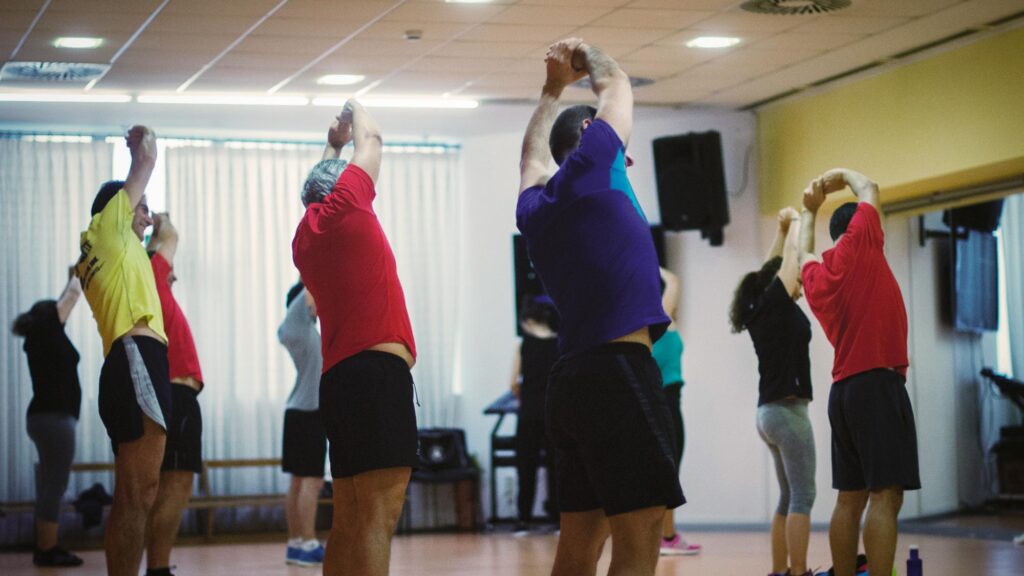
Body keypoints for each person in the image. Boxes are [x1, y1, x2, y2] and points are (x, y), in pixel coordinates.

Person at [517, 38, 684, 576]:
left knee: (579, 544)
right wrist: (584, 56)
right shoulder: (594, 162)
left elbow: (530, 159)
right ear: (589, 136)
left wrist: (549, 91)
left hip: (572, 383)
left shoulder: (534, 210)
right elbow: (617, 84)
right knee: (639, 541)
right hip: (618, 373)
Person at [292, 100, 418, 576]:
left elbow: (317, 186)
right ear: (341, 189)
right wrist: (354, 109)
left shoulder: (304, 240)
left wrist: (331, 145)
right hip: (376, 376)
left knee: (348, 519)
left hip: (339, 382)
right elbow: (375, 141)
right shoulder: (349, 206)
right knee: (378, 518)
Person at [798, 168, 919, 576]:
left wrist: (808, 210)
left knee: (849, 499)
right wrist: (837, 177)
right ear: (860, 226)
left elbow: (802, 256)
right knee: (886, 495)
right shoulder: (861, 244)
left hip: (844, 393)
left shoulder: (817, 278)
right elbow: (870, 186)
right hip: (877, 385)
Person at [75, 125, 169, 576]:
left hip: (128, 360)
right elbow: (147, 160)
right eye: (142, 209)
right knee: (138, 491)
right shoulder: (110, 228)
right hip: (137, 356)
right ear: (118, 208)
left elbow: (161, 242)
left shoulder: (102, 249)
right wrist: (140, 141)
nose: (147, 219)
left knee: (137, 492)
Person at [730, 207, 816, 576]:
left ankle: (780, 571)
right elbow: (787, 264)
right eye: (795, 281)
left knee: (787, 496)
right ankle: (797, 572)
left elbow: (772, 265)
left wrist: (780, 231)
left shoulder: (760, 306)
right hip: (787, 411)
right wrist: (796, 222)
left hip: (767, 413)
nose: (800, 286)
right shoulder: (776, 302)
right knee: (803, 496)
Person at [142, 213, 204, 576]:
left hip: (174, 396)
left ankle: (156, 567)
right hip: (178, 396)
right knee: (175, 488)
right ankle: (159, 569)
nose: (174, 272)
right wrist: (160, 220)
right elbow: (171, 235)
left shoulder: (155, 287)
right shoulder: (152, 277)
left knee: (167, 489)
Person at [11, 270, 85, 567]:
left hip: (44, 417)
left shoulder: (40, 337)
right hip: (54, 418)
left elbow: (63, 301)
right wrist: (78, 272)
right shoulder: (47, 331)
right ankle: (47, 548)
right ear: (48, 317)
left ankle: (46, 544)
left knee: (49, 482)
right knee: (56, 483)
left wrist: (70, 279)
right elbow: (70, 297)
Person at [277, 280, 327, 565]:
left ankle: (296, 543)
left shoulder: (299, 332)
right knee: (312, 481)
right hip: (309, 412)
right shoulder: (299, 326)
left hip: (297, 411)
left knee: (299, 482)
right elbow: (308, 282)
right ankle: (307, 543)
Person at [653, 267, 701, 557]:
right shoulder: (660, 323)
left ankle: (666, 535)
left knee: (669, 471)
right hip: (666, 405)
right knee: (668, 473)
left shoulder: (662, 330)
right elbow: (674, 280)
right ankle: (666, 537)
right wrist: (647, 258)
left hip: (670, 403)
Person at [509, 295, 560, 534]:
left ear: (527, 320)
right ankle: (559, 519)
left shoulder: (523, 344)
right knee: (557, 467)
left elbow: (513, 383)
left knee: (525, 467)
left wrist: (524, 398)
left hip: (528, 413)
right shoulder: (559, 343)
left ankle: (523, 521)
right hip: (554, 414)